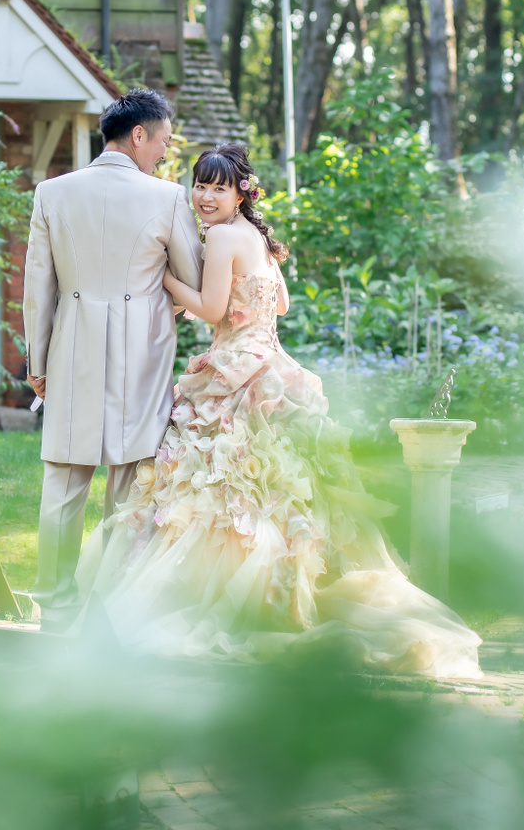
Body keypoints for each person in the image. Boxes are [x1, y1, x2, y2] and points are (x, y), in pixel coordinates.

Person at [74, 144, 482, 678]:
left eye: (218, 187)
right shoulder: (259, 241)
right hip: (273, 366)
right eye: (199, 185)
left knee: (219, 486)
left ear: (242, 191)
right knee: (279, 490)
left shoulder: (220, 237)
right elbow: (281, 304)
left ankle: (215, 593)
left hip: (235, 373)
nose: (204, 197)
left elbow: (215, 310)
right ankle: (285, 592)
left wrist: (166, 281)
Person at [22, 89, 204, 632]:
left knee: (63, 481)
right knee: (129, 481)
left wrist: (38, 359)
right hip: (141, 352)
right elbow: (192, 279)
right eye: (163, 143)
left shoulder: (51, 193)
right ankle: (107, 604)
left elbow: (39, 287)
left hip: (71, 345)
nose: (165, 155)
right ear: (140, 135)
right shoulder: (167, 197)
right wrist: (156, 301)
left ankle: (54, 605)